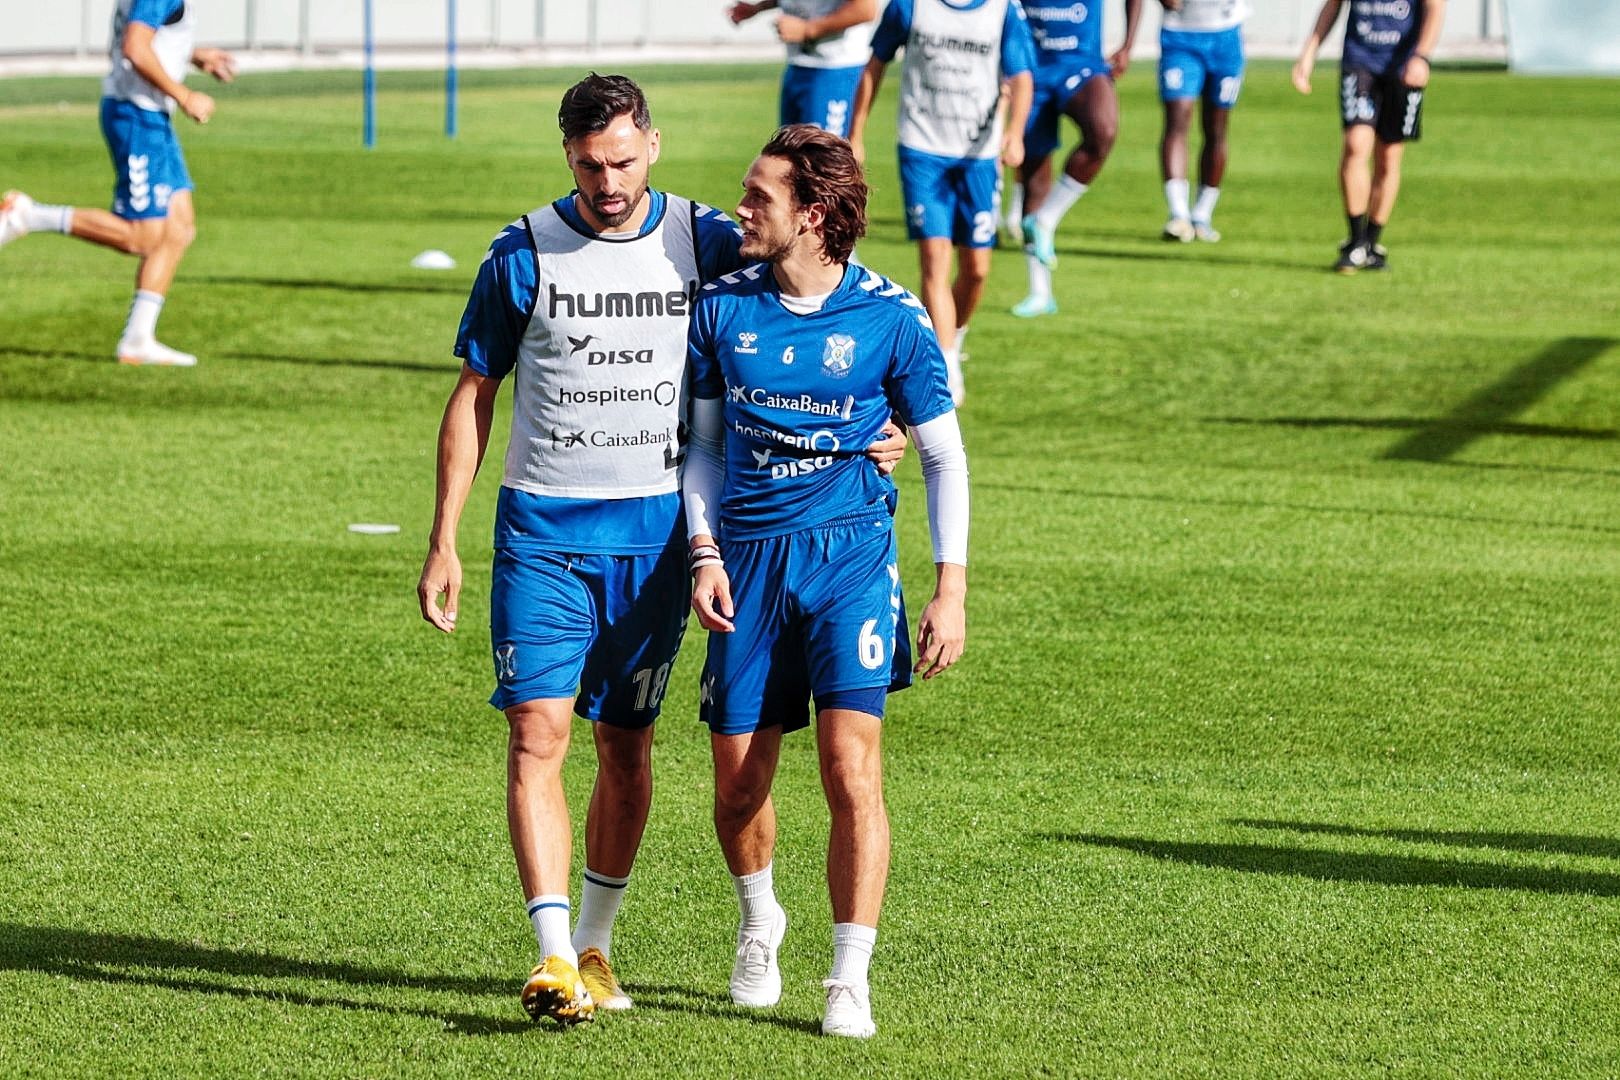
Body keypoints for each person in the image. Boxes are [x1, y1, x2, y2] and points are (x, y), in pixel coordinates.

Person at [416, 74, 902, 1027]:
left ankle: (596, 942)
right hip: (543, 529)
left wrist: (875, 427)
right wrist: (444, 537)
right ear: (568, 156)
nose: (608, 182)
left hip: (661, 540)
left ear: (655, 146)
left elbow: (821, 297)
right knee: (536, 734)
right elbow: (475, 394)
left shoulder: (706, 238)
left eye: (625, 161)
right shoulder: (522, 253)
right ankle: (556, 956)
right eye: (592, 165)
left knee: (625, 749)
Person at [683, 124, 969, 1039]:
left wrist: (949, 588)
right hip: (748, 565)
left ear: (813, 216)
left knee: (852, 770)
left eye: (759, 195)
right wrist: (703, 551)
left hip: (850, 559)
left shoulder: (892, 317)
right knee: (738, 784)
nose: (742, 208)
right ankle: (761, 918)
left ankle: (850, 975)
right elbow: (705, 449)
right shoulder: (722, 307)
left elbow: (942, 457)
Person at [0, 0, 236, 367]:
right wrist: (185, 94)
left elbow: (147, 38)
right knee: (141, 236)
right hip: (137, 115)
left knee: (178, 229)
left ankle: (138, 339)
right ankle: (27, 216)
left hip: (149, 116)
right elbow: (135, 47)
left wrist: (192, 54)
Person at [848, 0, 1036, 405]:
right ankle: (946, 364)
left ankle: (953, 332)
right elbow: (874, 63)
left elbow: (1021, 77)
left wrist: (1016, 132)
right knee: (935, 260)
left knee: (978, 271)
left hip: (978, 157)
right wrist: (856, 133)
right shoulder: (910, 6)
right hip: (922, 150)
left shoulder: (1002, 10)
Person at [1007, 0, 1143, 318]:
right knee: (1034, 177)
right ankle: (1040, 292)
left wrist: (1127, 44)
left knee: (1103, 130)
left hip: (1082, 63)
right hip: (1031, 69)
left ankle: (1046, 219)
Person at [1292, 0, 1447, 273]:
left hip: (1402, 67)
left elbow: (1436, 8)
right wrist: (1309, 52)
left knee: (1388, 155)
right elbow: (1332, 6)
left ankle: (1373, 243)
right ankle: (1355, 241)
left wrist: (1422, 56)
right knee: (1355, 144)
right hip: (1359, 62)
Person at [1155, 0, 1248, 243]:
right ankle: (1178, 214)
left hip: (1225, 35)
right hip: (1180, 35)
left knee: (1216, 128)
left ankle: (1202, 214)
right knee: (1178, 117)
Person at [727, 0, 881, 137]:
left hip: (835, 68)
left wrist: (807, 29)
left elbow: (865, 9)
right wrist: (757, 8)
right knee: (789, 154)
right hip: (799, 64)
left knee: (823, 160)